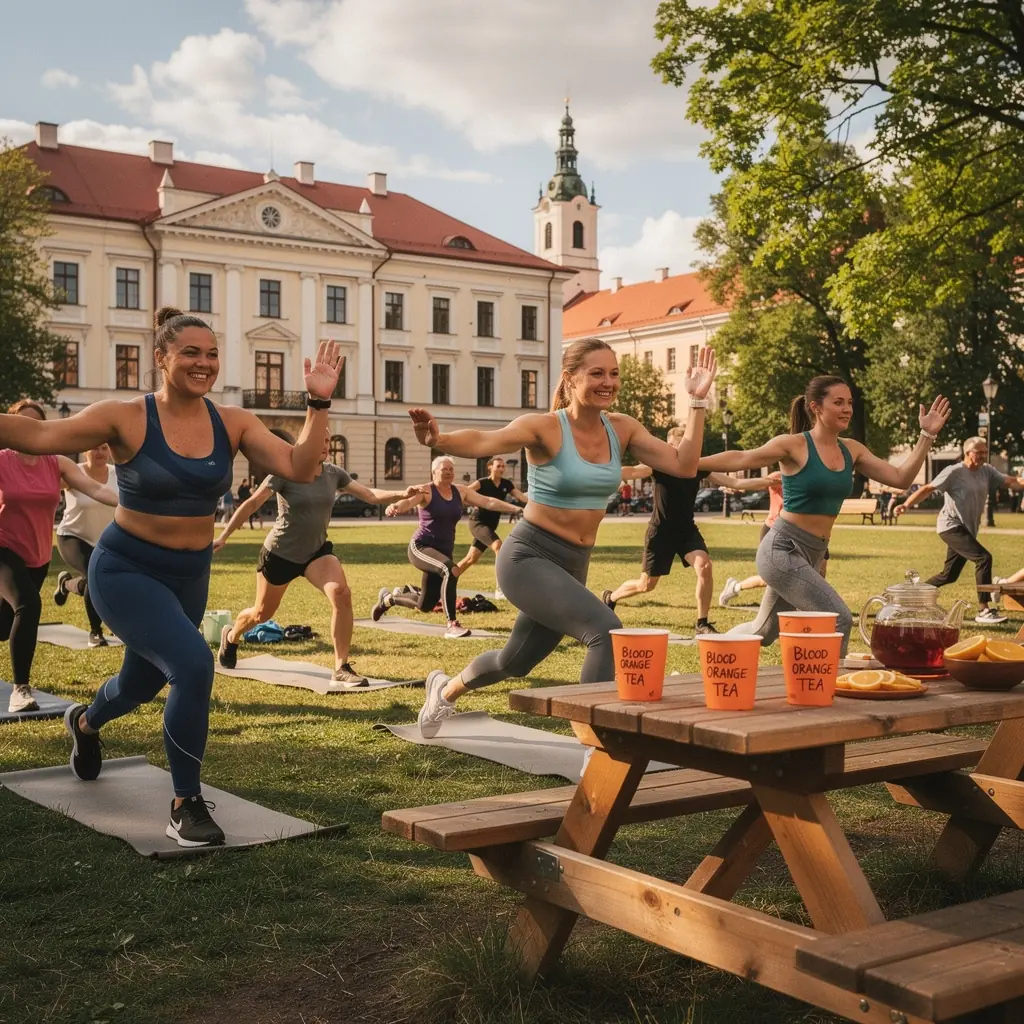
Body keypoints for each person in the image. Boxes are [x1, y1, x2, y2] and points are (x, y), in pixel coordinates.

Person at [0, 308, 342, 847]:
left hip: (189, 575)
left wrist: (317, 402)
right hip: (125, 568)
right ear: (161, 357)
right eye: (190, 353)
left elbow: (301, 465)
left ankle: (85, 723)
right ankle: (186, 805)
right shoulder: (125, 417)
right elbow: (41, 433)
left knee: (141, 683)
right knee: (192, 664)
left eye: (212, 354)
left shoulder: (232, 422)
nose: (204, 363)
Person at [410, 338, 717, 735]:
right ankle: (594, 745)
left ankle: (444, 691)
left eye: (614, 373)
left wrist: (696, 402)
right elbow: (486, 440)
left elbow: (684, 465)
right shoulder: (546, 427)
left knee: (515, 661)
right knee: (605, 632)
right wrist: (439, 441)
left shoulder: (622, 428)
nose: (608, 382)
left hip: (573, 563)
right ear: (570, 379)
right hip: (528, 557)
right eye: (597, 373)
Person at [699, 375, 950, 655]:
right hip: (781, 549)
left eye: (849, 403)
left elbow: (901, 478)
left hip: (813, 552)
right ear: (816, 407)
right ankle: (832, 681)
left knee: (764, 630)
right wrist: (693, 462)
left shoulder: (852, 449)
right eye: (838, 402)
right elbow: (742, 457)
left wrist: (926, 436)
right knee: (838, 619)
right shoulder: (794, 444)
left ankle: (714, 653)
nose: (847, 409)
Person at [214, 428, 420, 685]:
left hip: (316, 552)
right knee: (261, 614)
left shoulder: (334, 473)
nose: (325, 445)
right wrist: (224, 535)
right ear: (304, 444)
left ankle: (341, 666)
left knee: (341, 593)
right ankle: (231, 636)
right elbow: (253, 503)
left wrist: (402, 494)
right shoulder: (284, 471)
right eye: (318, 441)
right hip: (280, 554)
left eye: (327, 441)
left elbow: (369, 494)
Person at [0, 401, 118, 713]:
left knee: (4, 626)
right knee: (29, 605)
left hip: (38, 554)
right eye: (20, 424)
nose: (26, 430)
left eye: (34, 424)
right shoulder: (2, 460)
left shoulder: (57, 463)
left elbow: (94, 489)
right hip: (3, 547)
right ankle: (21, 690)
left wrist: (127, 505)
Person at [602, 431, 778, 635]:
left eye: (679, 445)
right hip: (661, 532)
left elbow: (736, 483)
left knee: (704, 566)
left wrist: (770, 481)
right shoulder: (659, 465)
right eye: (672, 445)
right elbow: (632, 471)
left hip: (686, 531)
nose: (673, 449)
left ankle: (702, 623)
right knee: (646, 585)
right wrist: (604, 472)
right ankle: (611, 597)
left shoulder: (698, 467)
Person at [371, 455, 520, 639]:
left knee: (425, 605)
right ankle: (452, 625)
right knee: (451, 570)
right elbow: (407, 502)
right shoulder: (426, 490)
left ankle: (389, 599)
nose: (449, 472)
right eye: (444, 469)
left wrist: (516, 508)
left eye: (451, 469)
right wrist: (395, 506)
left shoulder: (460, 491)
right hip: (421, 547)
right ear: (434, 472)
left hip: (443, 552)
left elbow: (488, 501)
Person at [892, 436, 1024, 624]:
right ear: (967, 453)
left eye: (985, 452)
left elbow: (1011, 481)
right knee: (983, 558)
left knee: (949, 575)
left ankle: (912, 595)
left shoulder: (987, 471)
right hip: (950, 526)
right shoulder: (954, 472)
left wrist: (1021, 481)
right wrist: (906, 505)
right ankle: (984, 609)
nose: (983, 456)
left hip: (967, 530)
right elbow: (928, 488)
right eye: (979, 452)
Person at [718, 473, 829, 607]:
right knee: (776, 578)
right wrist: (736, 486)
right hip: (775, 530)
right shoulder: (781, 476)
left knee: (819, 573)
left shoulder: (813, 474)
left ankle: (810, 606)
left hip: (809, 531)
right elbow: (758, 483)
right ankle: (735, 587)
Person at [53, 442, 117, 647]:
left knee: (101, 581)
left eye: (104, 448)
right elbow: (45, 487)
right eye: (95, 448)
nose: (100, 452)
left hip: (105, 542)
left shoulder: (118, 474)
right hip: (72, 537)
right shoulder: (74, 473)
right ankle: (95, 632)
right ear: (85, 451)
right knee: (95, 575)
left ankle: (68, 584)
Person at [454, 456, 528, 595]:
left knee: (471, 558)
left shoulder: (506, 484)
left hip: (491, 525)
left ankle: (446, 579)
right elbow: (464, 493)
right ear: (490, 467)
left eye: (503, 466)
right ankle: (500, 588)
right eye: (498, 466)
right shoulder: (482, 483)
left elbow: (522, 497)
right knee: (498, 545)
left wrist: (538, 503)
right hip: (478, 522)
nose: (501, 469)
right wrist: (472, 502)